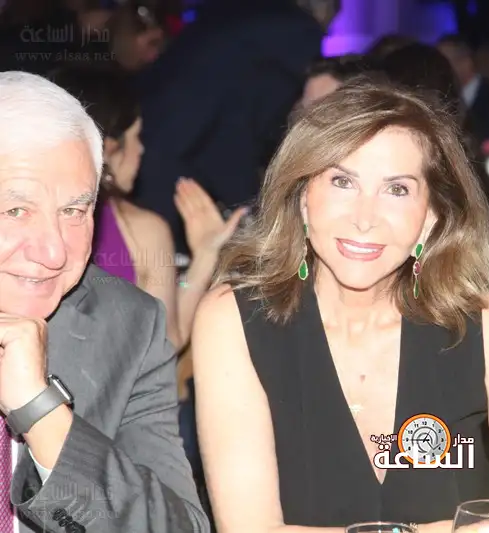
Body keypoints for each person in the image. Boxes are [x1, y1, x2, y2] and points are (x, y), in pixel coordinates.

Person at [192, 80, 489, 531]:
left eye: (397, 190)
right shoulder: (234, 320)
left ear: (430, 216)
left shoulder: (483, 323)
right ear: (302, 199)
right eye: (342, 182)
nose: (365, 218)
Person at [0, 71, 208, 532]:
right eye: (16, 210)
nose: (54, 252)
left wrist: (41, 413)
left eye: (74, 211)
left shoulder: (127, 328)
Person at [48, 64, 245, 350]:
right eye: (137, 136)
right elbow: (165, 342)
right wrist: (203, 259)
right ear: (110, 148)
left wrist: (204, 255)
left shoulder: (17, 213)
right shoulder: (141, 230)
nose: (141, 150)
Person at [134, 0, 338, 254]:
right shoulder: (298, 31)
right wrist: (249, 208)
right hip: (184, 147)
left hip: (156, 128)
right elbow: (249, 126)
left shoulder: (240, 14)